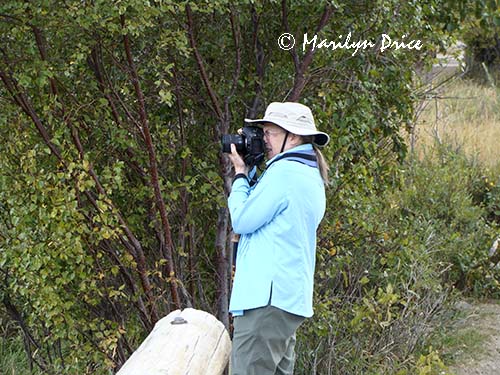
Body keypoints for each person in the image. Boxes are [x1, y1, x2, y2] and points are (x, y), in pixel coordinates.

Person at [227, 102, 330, 375]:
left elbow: (242, 220)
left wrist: (240, 175)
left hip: (265, 301)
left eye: (270, 133)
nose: (264, 140)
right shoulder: (309, 172)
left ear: (292, 136)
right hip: (286, 300)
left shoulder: (284, 173)